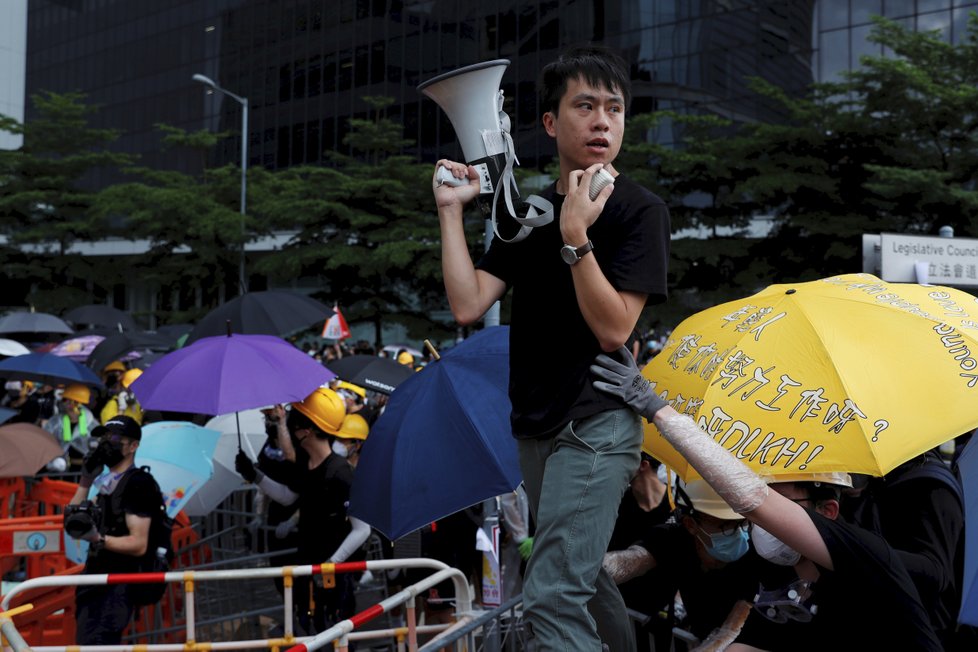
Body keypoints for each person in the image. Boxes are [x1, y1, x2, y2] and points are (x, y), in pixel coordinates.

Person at [432, 45, 670, 650]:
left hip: (597, 424)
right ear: (548, 123)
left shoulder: (641, 211)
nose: (601, 122)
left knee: (552, 595)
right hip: (535, 429)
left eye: (613, 109)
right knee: (581, 581)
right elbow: (468, 303)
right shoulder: (529, 212)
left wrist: (575, 237)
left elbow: (614, 330)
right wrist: (450, 214)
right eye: (584, 105)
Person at [591, 347, 943, 650]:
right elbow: (749, 645)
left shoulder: (864, 557)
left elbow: (751, 498)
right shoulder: (784, 586)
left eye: (782, 502)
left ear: (827, 511)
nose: (759, 521)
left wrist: (658, 410)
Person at [235, 388, 370, 634]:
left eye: (294, 422)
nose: (288, 430)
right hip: (308, 570)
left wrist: (331, 564)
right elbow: (288, 497)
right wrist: (254, 475)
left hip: (334, 579)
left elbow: (362, 529)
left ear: (306, 430)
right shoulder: (306, 465)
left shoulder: (340, 473)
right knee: (310, 631)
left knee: (336, 638)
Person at [604, 479, 758, 647]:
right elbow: (630, 560)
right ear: (691, 524)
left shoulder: (756, 555)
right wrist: (582, 569)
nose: (740, 533)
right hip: (702, 634)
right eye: (725, 526)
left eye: (743, 523)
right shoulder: (677, 539)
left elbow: (731, 629)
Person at [65, 416, 158, 645]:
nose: (107, 443)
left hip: (116, 586)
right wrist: (85, 481)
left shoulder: (138, 483)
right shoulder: (104, 482)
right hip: (94, 579)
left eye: (115, 438)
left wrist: (98, 538)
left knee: (99, 643)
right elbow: (71, 523)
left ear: (133, 446)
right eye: (104, 437)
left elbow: (138, 544)